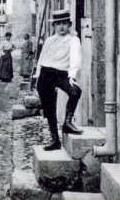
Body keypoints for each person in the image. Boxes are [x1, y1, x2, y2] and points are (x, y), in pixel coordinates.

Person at [34, 9, 83, 151]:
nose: (61, 27)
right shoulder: (50, 40)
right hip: (46, 74)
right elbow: (42, 59)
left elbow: (75, 59)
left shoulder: (73, 40)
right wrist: (37, 78)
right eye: (58, 24)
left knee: (75, 92)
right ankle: (55, 140)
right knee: (49, 109)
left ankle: (67, 122)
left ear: (69, 24)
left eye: (64, 23)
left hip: (62, 74)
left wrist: (72, 76)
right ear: (54, 26)